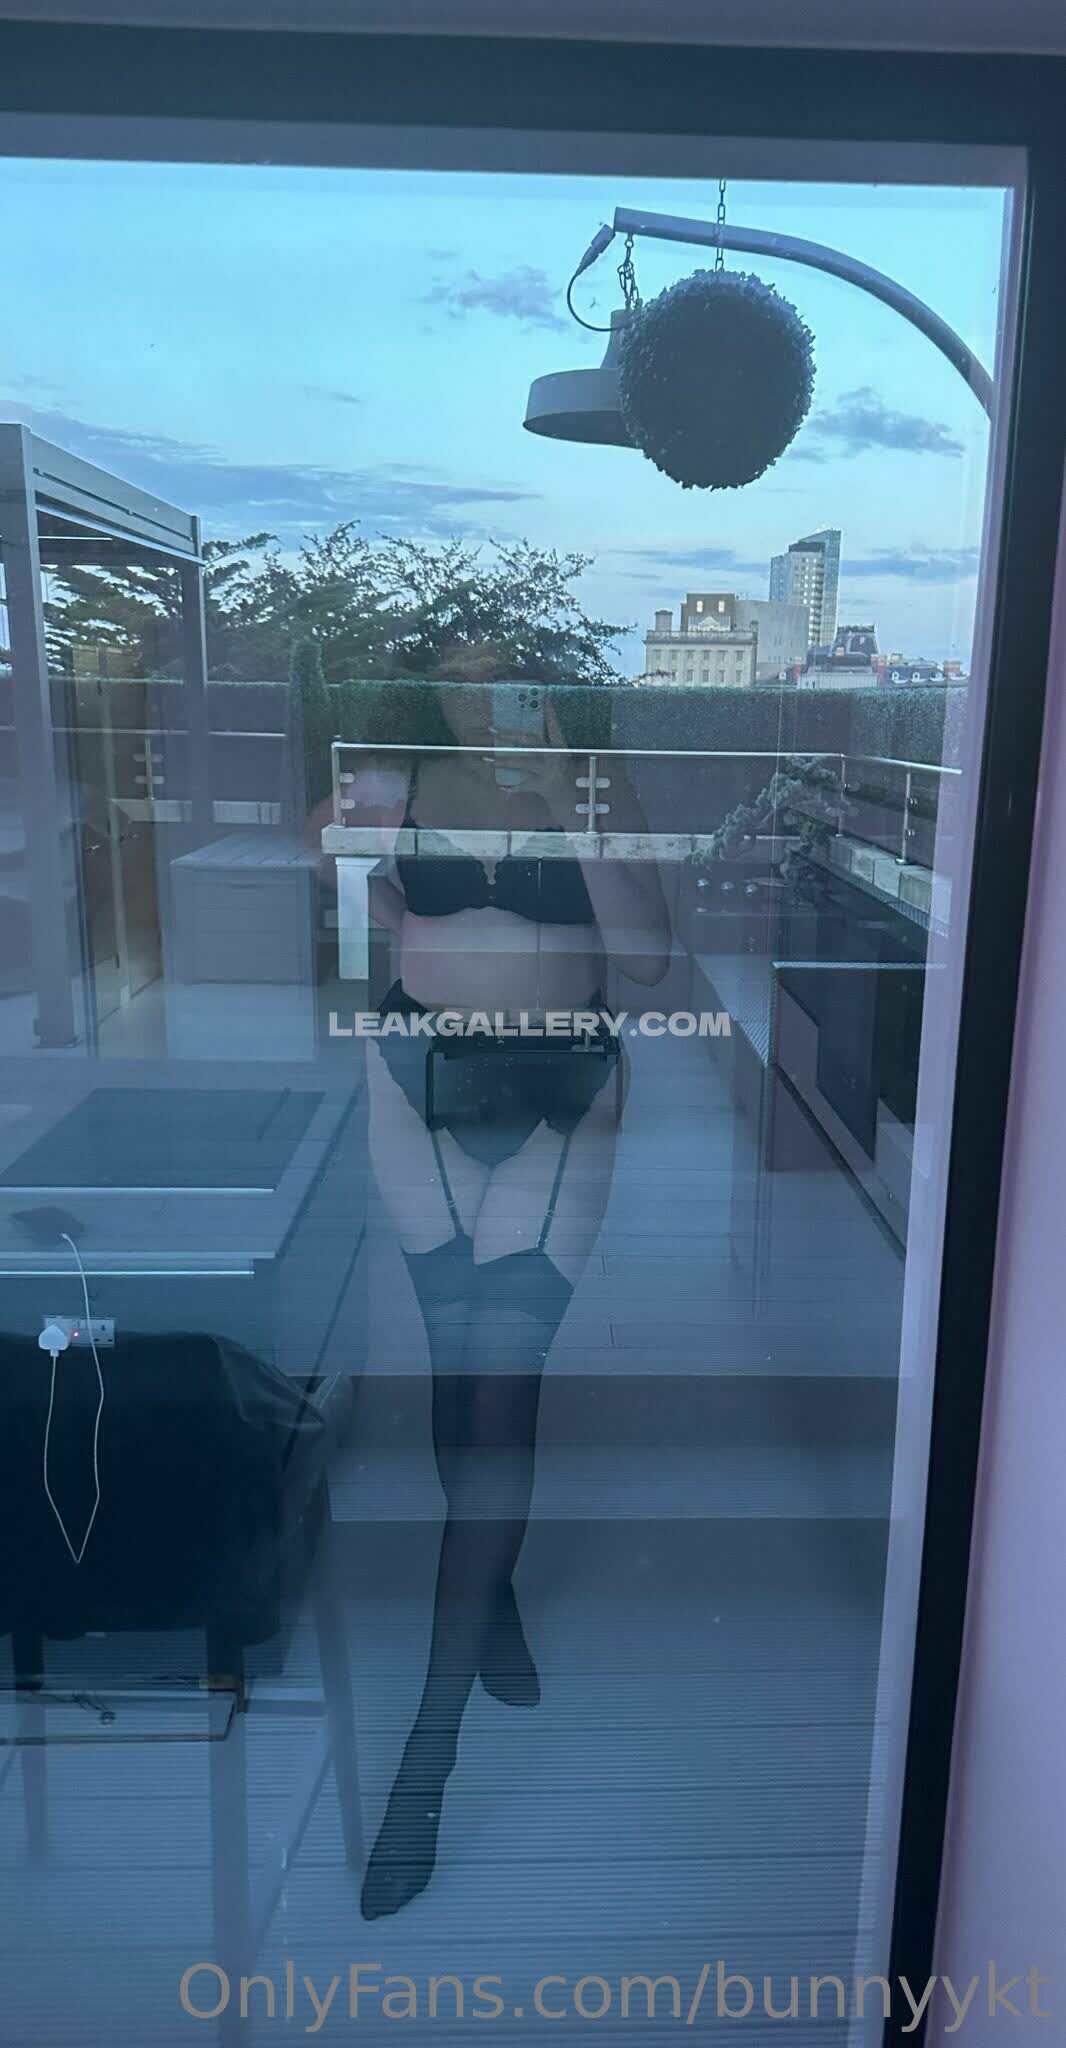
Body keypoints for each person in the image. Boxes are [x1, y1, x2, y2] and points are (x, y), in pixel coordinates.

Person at [350, 683, 669, 1919]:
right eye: (461, 674)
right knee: (455, 1367)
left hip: (562, 1086)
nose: (484, 697)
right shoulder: (404, 775)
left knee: (499, 1393)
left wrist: (570, 813)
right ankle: (491, 1597)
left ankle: (426, 1758)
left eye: (506, 676)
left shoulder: (594, 783)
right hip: (412, 1074)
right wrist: (391, 912)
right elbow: (330, 862)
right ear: (435, 687)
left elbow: (645, 957)